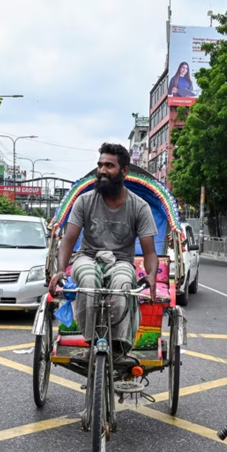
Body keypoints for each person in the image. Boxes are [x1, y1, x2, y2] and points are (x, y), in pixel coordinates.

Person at [48, 143, 157, 361]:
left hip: (121, 261)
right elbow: (69, 240)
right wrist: (60, 270)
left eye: (109, 165)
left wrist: (152, 275)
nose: (102, 170)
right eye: (100, 165)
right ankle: (91, 341)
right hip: (87, 257)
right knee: (88, 280)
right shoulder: (84, 201)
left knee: (125, 283)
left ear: (124, 171)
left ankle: (118, 347)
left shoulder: (140, 206)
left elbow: (150, 251)